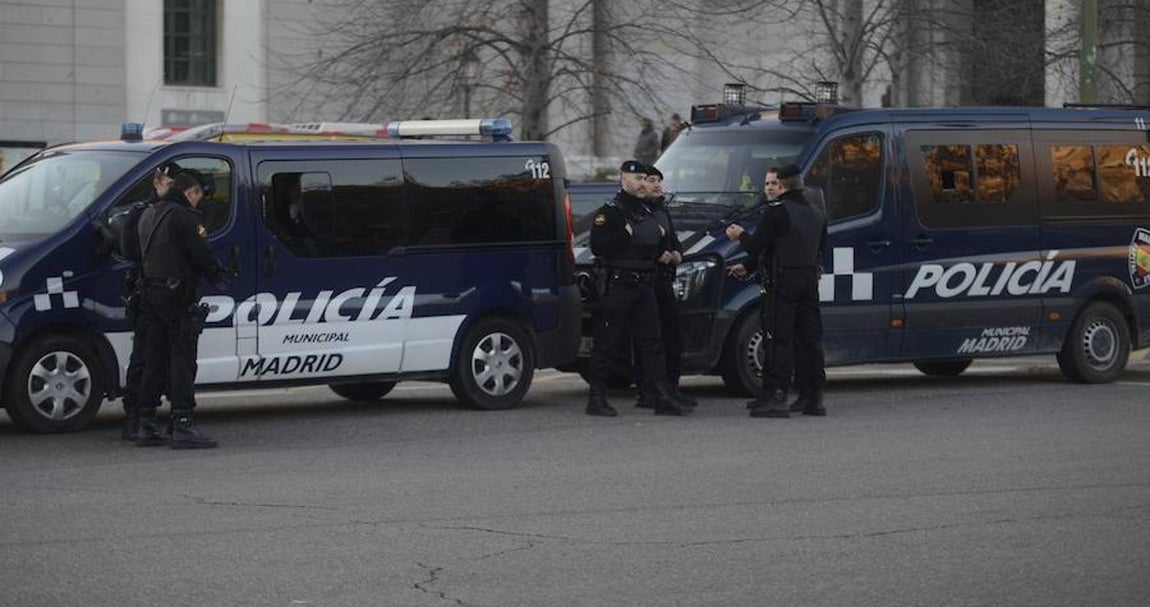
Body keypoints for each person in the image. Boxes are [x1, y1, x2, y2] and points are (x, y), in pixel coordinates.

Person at [585, 160, 694, 417]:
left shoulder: (648, 210)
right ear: (623, 179)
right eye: (637, 178)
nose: (642, 183)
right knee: (607, 343)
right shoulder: (611, 211)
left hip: (645, 285)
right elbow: (599, 246)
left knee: (652, 343)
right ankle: (596, 397)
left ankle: (660, 395)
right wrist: (625, 235)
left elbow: (658, 243)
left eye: (645, 178)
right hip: (619, 284)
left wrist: (668, 253)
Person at [724, 164, 827, 418]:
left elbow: (756, 246)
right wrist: (748, 266)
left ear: (781, 185)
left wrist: (740, 235)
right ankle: (812, 397)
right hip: (808, 281)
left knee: (778, 339)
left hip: (782, 283)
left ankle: (777, 396)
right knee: (809, 341)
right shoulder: (816, 212)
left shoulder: (777, 212)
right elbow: (816, 248)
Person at [134, 170, 228, 448]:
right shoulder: (185, 217)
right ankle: (183, 423)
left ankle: (146, 423)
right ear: (191, 192)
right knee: (182, 360)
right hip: (177, 298)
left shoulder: (149, 214)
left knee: (154, 360)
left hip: (151, 295)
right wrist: (219, 277)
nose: (199, 201)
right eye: (198, 195)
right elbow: (201, 254)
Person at [113, 162, 179, 441]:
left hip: (159, 292)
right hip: (149, 291)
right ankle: (136, 416)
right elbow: (129, 250)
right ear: (157, 183)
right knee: (144, 356)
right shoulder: (145, 213)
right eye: (165, 182)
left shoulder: (166, 212)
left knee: (161, 357)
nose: (168, 187)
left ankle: (147, 417)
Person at [633, 164, 695, 409]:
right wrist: (657, 256)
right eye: (651, 180)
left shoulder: (662, 210)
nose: (657, 184)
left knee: (672, 336)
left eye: (659, 180)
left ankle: (671, 386)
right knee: (650, 339)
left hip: (666, 280)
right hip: (647, 281)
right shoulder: (637, 211)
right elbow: (636, 244)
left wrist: (676, 253)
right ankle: (648, 390)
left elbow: (674, 240)